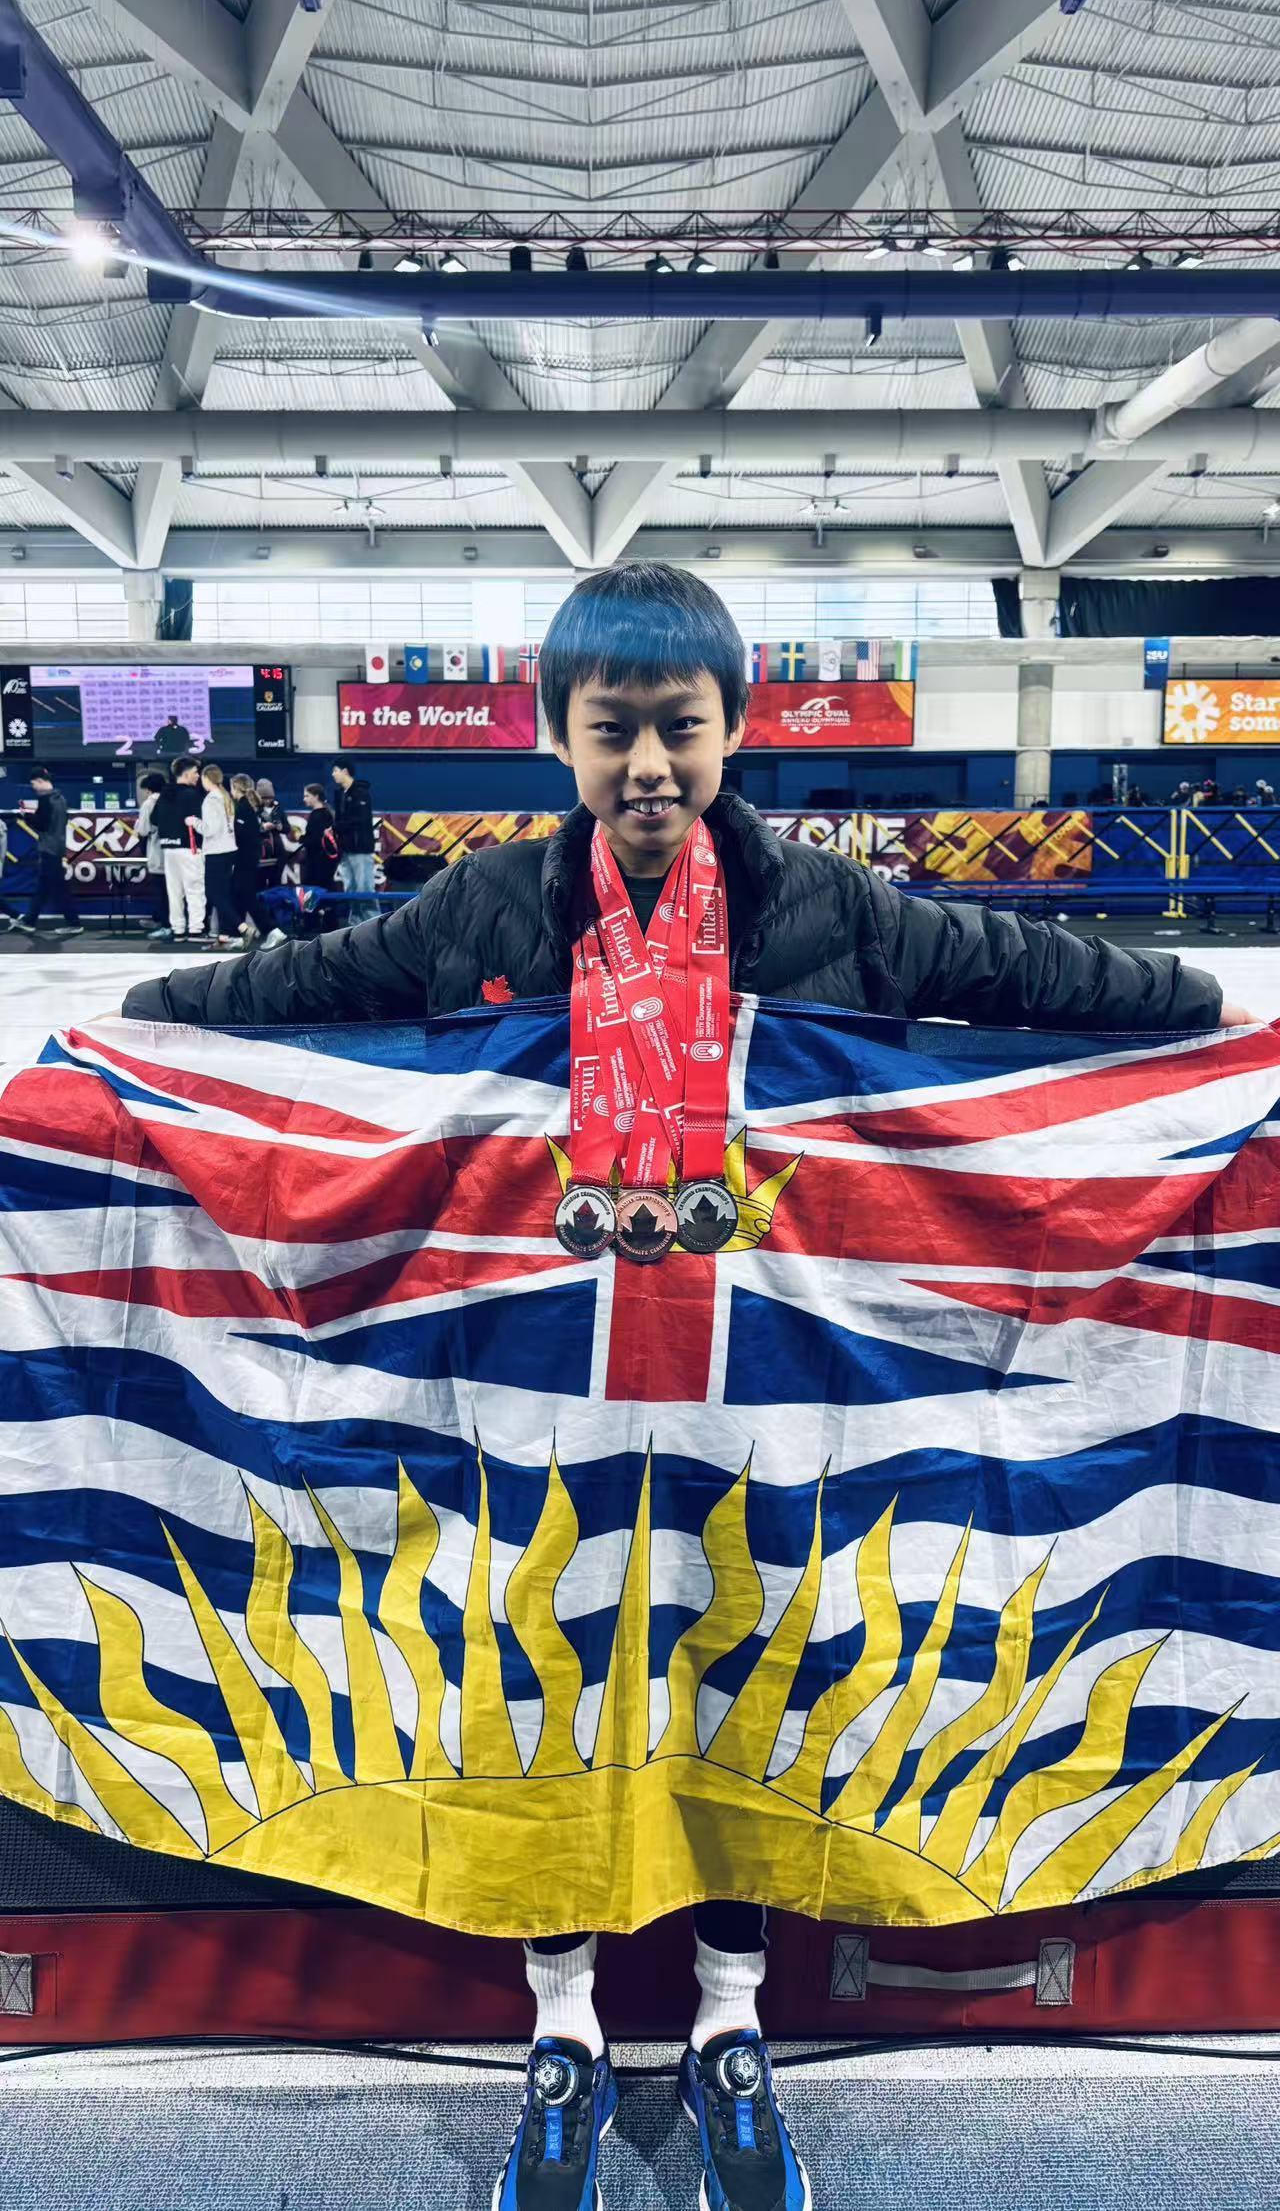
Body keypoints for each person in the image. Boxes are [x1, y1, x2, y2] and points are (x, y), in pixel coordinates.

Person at [121, 563, 1258, 2211]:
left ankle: (732, 2017)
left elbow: (1017, 967)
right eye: (615, 732)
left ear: (736, 728)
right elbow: (314, 987)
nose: (650, 765)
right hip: (540, 1410)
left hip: (762, 1408)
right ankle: (563, 2022)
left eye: (681, 728)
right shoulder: (494, 909)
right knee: (538, 1679)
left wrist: (1201, 1016)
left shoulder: (824, 910)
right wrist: (139, 1036)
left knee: (753, 1682)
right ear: (558, 739)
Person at [13, 766, 83, 937]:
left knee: (58, 888)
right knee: (44, 887)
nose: (33, 787)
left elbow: (42, 825)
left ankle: (74, 923)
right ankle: (29, 921)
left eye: (33, 784)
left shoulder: (45, 800)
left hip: (48, 848)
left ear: (40, 781)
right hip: (58, 846)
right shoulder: (61, 798)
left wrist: (26, 816)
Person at [151, 757, 205, 943]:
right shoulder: (192, 795)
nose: (198, 776)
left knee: (174, 892)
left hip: (168, 849)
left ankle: (178, 930)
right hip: (189, 848)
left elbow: (153, 820)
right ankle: (196, 930)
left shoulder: (164, 794)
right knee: (194, 890)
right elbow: (202, 821)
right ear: (187, 773)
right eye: (196, 772)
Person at [331, 758, 377, 918]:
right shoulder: (340, 795)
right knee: (350, 889)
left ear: (345, 771)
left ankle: (373, 922)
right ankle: (355, 923)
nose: (333, 774)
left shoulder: (361, 793)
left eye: (335, 770)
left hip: (360, 849)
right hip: (345, 849)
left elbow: (360, 819)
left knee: (364, 888)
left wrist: (337, 827)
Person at [200, 763, 238, 949]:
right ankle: (225, 935)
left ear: (206, 778)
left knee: (214, 893)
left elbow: (210, 830)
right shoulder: (225, 797)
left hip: (216, 852)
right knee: (223, 894)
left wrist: (195, 823)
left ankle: (241, 926)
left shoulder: (211, 799)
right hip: (228, 850)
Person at [228, 773, 267, 948]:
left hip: (245, 857)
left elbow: (243, 834)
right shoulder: (249, 806)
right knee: (239, 894)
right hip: (248, 856)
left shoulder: (243, 807)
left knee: (246, 895)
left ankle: (270, 929)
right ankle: (239, 933)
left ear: (236, 787)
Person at [133, 770, 170, 937]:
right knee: (172, 892)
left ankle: (164, 924)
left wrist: (137, 826)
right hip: (173, 852)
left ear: (148, 789)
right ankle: (166, 922)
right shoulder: (171, 799)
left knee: (160, 891)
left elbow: (143, 829)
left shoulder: (149, 804)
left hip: (156, 851)